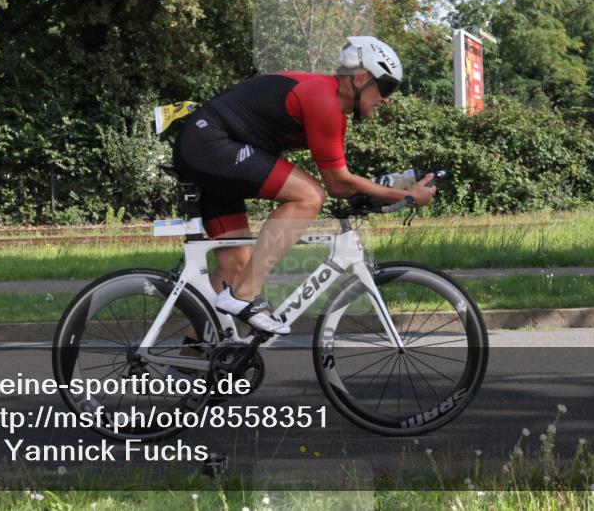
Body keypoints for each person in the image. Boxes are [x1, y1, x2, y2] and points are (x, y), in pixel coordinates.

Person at [172, 36, 436, 335]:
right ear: (360, 78)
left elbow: (344, 180)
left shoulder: (330, 102)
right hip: (209, 144)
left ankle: (188, 367)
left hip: (211, 150)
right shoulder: (324, 100)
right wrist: (406, 195)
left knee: (236, 268)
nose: (387, 98)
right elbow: (337, 184)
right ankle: (245, 295)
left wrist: (388, 191)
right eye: (386, 87)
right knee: (309, 196)